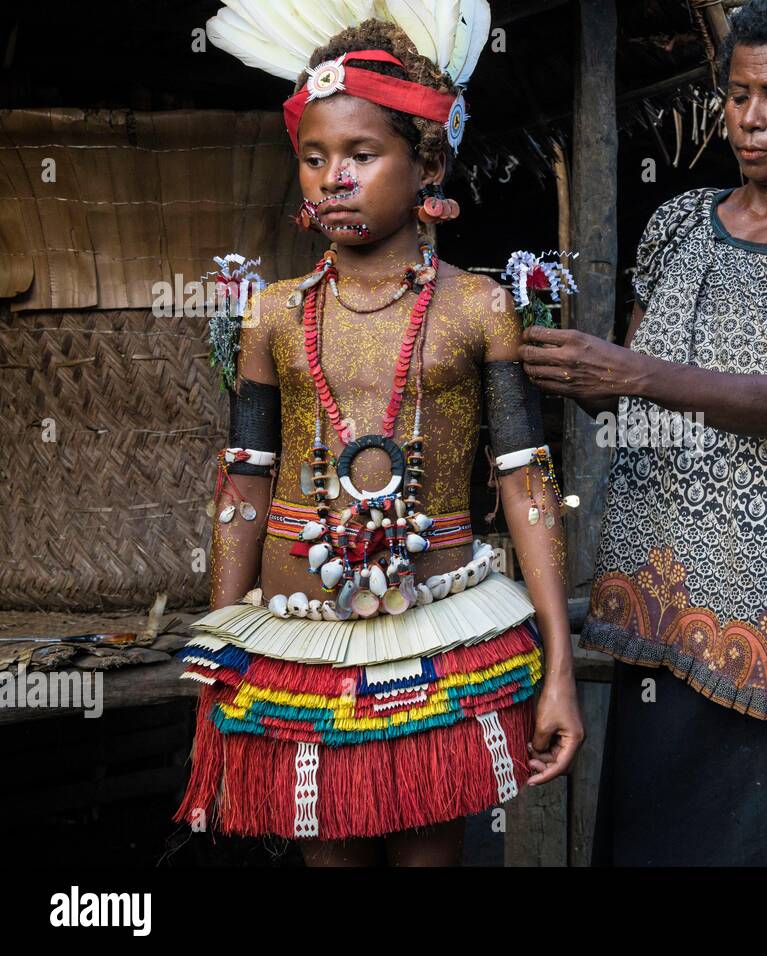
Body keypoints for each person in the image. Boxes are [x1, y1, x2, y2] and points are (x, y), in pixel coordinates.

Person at [173, 3, 582, 867]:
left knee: (430, 859)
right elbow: (243, 484)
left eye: (362, 156)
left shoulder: (478, 308)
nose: (333, 179)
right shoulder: (273, 315)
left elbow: (524, 483)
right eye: (315, 159)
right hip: (296, 630)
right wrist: (220, 645)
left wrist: (560, 665)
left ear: (427, 161)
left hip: (441, 627)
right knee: (327, 859)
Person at [521, 0, 767, 865]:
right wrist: (562, 368)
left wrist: (632, 375)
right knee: (670, 813)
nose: (751, 119)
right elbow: (638, 395)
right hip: (670, 571)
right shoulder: (678, 222)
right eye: (737, 96)